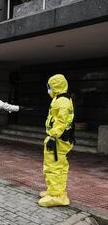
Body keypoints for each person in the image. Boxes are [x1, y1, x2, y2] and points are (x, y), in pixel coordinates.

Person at [38, 74, 75, 207]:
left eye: (50, 86)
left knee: (54, 167)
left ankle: (57, 196)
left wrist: (53, 136)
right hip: (59, 138)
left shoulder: (62, 101)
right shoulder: (59, 99)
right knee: (57, 166)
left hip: (58, 139)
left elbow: (61, 120)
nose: (48, 89)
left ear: (56, 86)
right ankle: (54, 191)